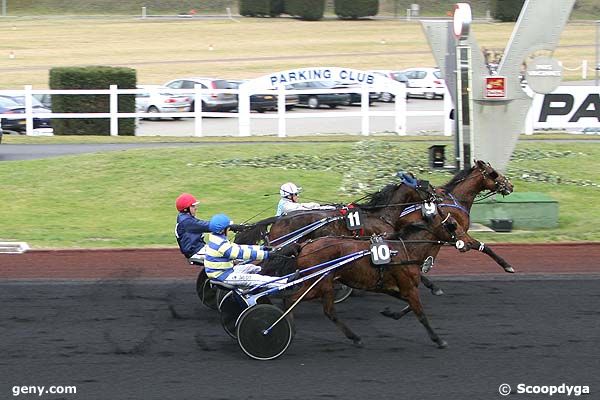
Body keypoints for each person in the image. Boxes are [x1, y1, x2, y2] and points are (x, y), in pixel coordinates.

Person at [204, 214, 291, 289]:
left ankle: (270, 275)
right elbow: (241, 253)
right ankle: (286, 282)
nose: (229, 229)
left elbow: (239, 248)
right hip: (224, 276)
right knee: (256, 279)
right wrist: (266, 255)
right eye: (228, 227)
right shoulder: (221, 245)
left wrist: (262, 248)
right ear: (223, 230)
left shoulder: (217, 240)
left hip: (223, 273)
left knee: (250, 267)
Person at [174, 193, 211, 264]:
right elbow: (206, 226)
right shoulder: (186, 221)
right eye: (193, 206)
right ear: (186, 209)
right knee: (226, 254)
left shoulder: (185, 219)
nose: (196, 208)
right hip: (197, 252)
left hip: (199, 249)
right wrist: (227, 225)